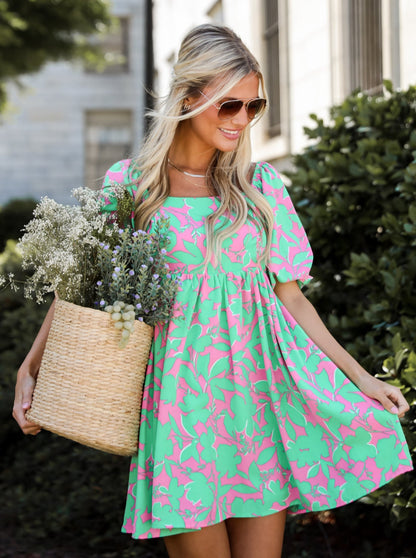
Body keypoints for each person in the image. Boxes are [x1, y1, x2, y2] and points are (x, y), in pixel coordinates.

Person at [13, 24, 412, 558]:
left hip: (256, 407)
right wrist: (32, 367)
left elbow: (291, 298)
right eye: (229, 105)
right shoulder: (131, 189)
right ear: (187, 96)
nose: (242, 120)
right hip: (179, 413)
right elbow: (81, 289)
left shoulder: (260, 188)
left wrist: (360, 377)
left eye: (254, 106)